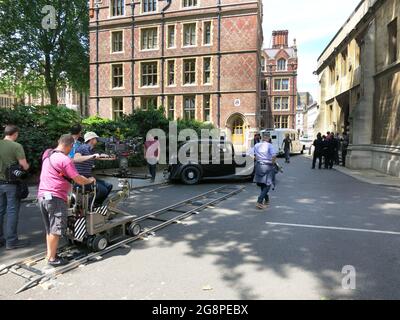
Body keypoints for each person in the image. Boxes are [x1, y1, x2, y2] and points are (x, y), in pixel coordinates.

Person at [38, 134, 95, 266]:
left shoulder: (48, 156)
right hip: (55, 197)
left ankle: (50, 254)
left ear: (59, 142)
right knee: (56, 229)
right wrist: (90, 180)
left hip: (42, 196)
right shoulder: (65, 160)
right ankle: (52, 259)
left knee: (50, 229)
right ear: (70, 146)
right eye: (72, 148)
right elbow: (78, 179)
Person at [0, 125, 30, 250]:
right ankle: (11, 241)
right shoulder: (16, 146)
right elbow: (24, 166)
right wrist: (27, 166)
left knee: (0, 211)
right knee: (12, 211)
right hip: (11, 183)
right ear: (15, 134)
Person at [74, 132, 115, 206]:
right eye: (96, 138)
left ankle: (96, 205)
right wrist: (92, 156)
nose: (97, 140)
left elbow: (99, 156)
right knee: (103, 190)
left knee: (109, 186)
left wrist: (110, 158)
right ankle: (89, 205)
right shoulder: (82, 148)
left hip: (88, 178)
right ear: (91, 139)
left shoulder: (91, 150)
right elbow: (76, 158)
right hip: (80, 179)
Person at [250, 133, 277, 210]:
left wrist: (256, 158)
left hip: (259, 165)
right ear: (268, 138)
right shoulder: (269, 145)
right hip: (268, 166)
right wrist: (273, 163)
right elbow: (274, 155)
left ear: (262, 138)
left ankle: (267, 200)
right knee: (268, 184)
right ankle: (259, 201)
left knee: (262, 183)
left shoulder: (257, 145)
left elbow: (250, 153)